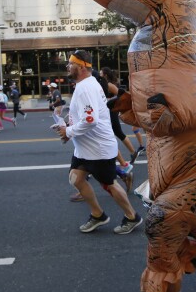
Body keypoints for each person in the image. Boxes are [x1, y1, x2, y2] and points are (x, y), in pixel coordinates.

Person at [53, 50, 142, 235]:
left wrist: (68, 131)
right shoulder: (85, 84)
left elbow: (90, 119)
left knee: (109, 184)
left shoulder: (86, 87)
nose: (68, 66)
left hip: (98, 149)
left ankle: (132, 216)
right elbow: (86, 115)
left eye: (71, 64)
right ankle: (97, 214)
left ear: (82, 67)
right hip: (85, 149)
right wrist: (69, 126)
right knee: (76, 178)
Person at [100, 67, 136, 173]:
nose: (99, 75)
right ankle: (132, 153)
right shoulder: (103, 84)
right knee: (115, 133)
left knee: (116, 132)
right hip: (108, 111)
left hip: (112, 111)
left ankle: (132, 153)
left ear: (105, 75)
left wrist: (109, 101)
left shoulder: (109, 85)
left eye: (101, 74)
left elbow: (120, 96)